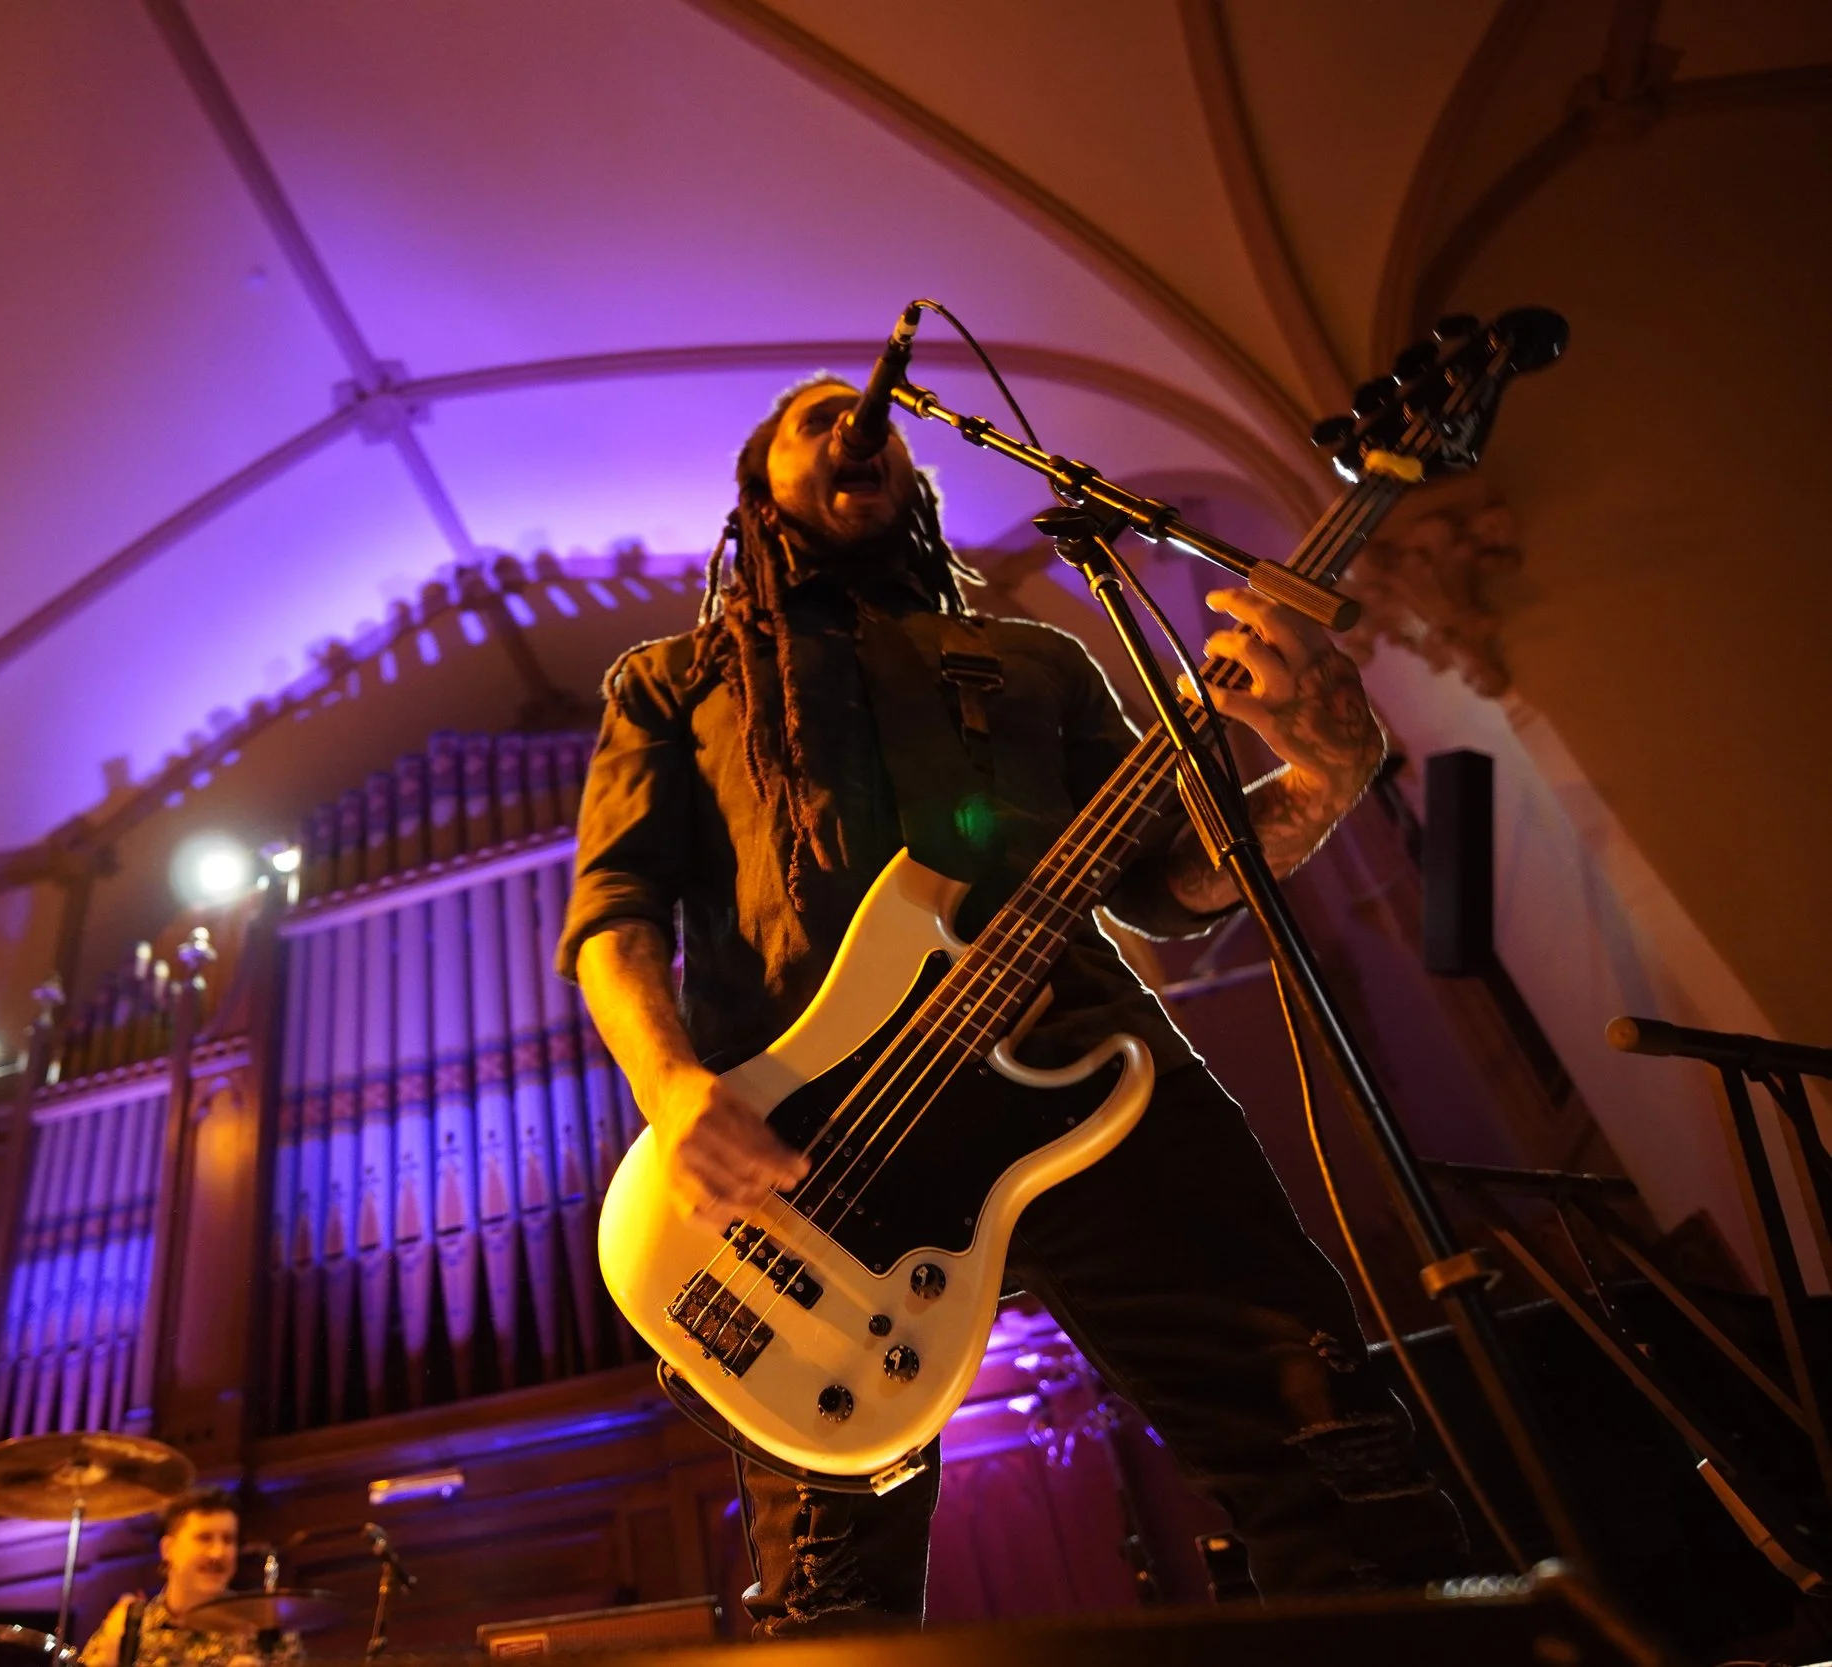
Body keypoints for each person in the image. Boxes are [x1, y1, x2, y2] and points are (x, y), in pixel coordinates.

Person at [559, 375, 1464, 1634]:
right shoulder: (672, 682)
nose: (856, 429)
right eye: (816, 419)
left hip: (1095, 1086)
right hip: (815, 1154)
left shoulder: (1039, 660)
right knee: (832, 1600)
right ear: (756, 485)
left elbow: (1166, 880)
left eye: (871, 420)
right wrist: (671, 1088)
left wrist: (1323, 775)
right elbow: (614, 910)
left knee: (1327, 1458)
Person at [80, 1487, 299, 1667]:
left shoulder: (264, 1631)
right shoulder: (129, 1629)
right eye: (204, 1538)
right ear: (168, 1549)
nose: (218, 1553)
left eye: (228, 1540)